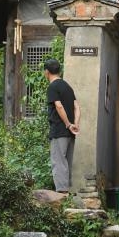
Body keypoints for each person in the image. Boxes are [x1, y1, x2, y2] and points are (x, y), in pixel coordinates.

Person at [44, 58, 80, 194]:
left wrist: (67, 124)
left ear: (46, 72)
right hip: (70, 133)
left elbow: (58, 106)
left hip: (60, 130)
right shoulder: (67, 86)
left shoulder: (53, 87)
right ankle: (66, 191)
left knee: (58, 161)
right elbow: (77, 107)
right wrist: (75, 124)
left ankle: (62, 193)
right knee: (67, 162)